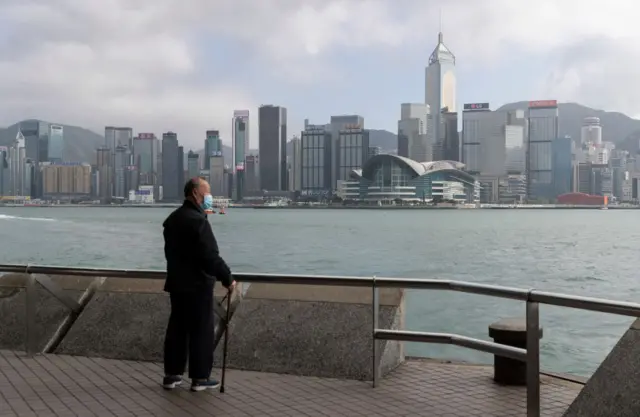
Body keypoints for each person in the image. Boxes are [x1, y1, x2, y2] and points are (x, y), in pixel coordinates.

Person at [161, 177, 236, 392]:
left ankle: (172, 375)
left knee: (177, 329)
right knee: (201, 331)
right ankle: (200, 378)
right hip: (198, 285)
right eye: (207, 192)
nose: (210, 196)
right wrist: (227, 277)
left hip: (177, 283)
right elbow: (209, 256)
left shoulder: (172, 219)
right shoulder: (199, 221)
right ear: (195, 193)